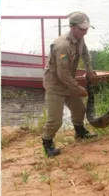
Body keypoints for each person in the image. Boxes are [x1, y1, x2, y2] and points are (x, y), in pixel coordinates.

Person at [42, 11, 98, 158]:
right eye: (82, 29)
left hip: (68, 82)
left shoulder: (79, 38)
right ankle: (47, 143)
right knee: (55, 120)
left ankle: (80, 132)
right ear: (72, 27)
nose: (85, 32)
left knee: (79, 109)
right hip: (56, 85)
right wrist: (78, 88)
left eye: (86, 29)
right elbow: (62, 74)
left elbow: (85, 54)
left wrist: (89, 69)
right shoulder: (62, 46)